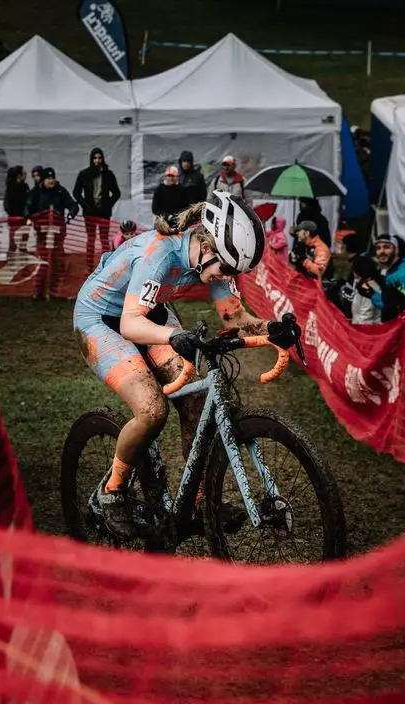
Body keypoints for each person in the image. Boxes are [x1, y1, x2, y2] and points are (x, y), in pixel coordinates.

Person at [75, 192, 294, 536]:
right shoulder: (160, 255)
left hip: (147, 311)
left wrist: (273, 329)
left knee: (196, 400)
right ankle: (111, 492)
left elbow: (234, 316)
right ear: (207, 247)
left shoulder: (210, 259)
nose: (226, 276)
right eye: (225, 268)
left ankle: (197, 503)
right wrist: (172, 337)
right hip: (101, 319)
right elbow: (131, 325)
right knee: (151, 410)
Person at [25, 167, 78, 299]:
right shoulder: (36, 192)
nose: (51, 181)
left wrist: (71, 214)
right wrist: (28, 218)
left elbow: (73, 205)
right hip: (42, 233)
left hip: (57, 233)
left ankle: (55, 292)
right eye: (48, 178)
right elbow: (27, 207)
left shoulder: (60, 191)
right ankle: (38, 293)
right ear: (43, 179)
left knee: (57, 262)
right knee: (41, 262)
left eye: (52, 178)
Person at [72, 147, 122, 267]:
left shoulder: (108, 174)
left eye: (99, 158)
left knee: (104, 239)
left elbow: (116, 193)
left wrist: (108, 204)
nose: (97, 160)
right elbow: (76, 192)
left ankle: (106, 264)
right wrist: (84, 204)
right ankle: (89, 265)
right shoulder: (84, 174)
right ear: (91, 159)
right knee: (91, 239)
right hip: (89, 212)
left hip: (104, 212)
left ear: (102, 159)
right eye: (95, 158)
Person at [371, 233, 405, 320]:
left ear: (396, 250)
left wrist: (371, 293)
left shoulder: (404, 273)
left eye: (386, 247)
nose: (382, 252)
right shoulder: (388, 270)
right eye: (378, 248)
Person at [3, 165, 29, 251]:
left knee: (24, 241)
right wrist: (13, 214)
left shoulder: (25, 187)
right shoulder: (10, 188)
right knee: (13, 242)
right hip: (14, 219)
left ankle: (23, 259)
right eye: (24, 173)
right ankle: (11, 259)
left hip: (25, 218)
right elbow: (6, 204)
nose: (26, 175)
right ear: (19, 175)